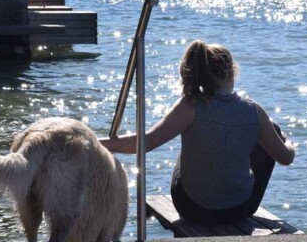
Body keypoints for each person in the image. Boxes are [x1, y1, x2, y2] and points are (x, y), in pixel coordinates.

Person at [100, 40, 295, 224]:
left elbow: (146, 143)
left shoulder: (190, 106)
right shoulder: (254, 111)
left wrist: (100, 143)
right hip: (240, 209)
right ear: (231, 72)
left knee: (193, 136)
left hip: (193, 208)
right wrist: (286, 141)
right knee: (273, 130)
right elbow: (286, 158)